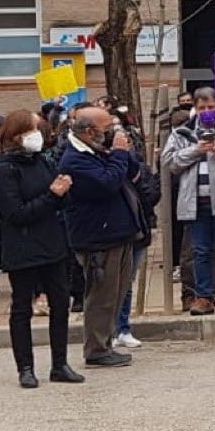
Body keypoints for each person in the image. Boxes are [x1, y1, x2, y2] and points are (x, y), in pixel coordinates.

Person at [0, 110, 84, 388]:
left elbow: (59, 201)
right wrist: (51, 196)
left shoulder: (43, 161)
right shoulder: (5, 169)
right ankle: (26, 368)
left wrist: (64, 192)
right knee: (22, 309)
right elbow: (17, 213)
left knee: (59, 305)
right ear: (18, 135)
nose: (38, 135)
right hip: (23, 247)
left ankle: (60, 364)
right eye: (32, 129)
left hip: (53, 244)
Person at [60, 107, 155, 368]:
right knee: (101, 295)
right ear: (90, 132)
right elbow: (106, 183)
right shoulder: (75, 159)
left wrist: (124, 153)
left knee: (116, 292)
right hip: (97, 238)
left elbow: (131, 173)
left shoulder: (99, 151)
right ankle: (96, 349)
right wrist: (119, 155)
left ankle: (106, 342)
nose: (113, 132)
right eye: (107, 128)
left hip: (119, 233)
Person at [162, 91, 215, 315]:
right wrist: (195, 150)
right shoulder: (183, 132)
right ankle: (203, 296)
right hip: (194, 201)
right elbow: (169, 161)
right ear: (195, 109)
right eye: (202, 108)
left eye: (210, 107)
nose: (206, 112)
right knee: (199, 251)